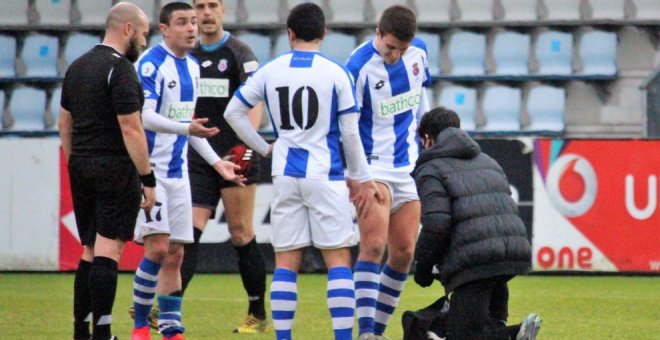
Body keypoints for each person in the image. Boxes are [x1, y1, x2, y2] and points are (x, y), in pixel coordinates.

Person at [224, 4, 383, 339]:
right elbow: (351, 133)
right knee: (338, 259)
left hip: (285, 174)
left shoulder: (271, 70)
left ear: (290, 33)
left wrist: (265, 145)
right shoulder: (337, 72)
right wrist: (362, 179)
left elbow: (233, 112)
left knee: (286, 263)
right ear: (324, 33)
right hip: (325, 174)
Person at [130, 3, 244, 340]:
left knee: (177, 252)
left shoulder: (193, 68)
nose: (192, 28)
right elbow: (145, 117)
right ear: (164, 29)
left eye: (193, 22)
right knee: (158, 248)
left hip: (179, 174)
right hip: (151, 172)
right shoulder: (150, 64)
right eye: (182, 23)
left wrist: (216, 162)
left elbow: (189, 128)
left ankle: (170, 328)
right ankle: (139, 326)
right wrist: (186, 130)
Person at [58, 3, 155, 340]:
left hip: (81, 165)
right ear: (127, 28)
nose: (144, 39)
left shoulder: (78, 67)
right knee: (108, 250)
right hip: (114, 167)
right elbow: (131, 128)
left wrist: (75, 161)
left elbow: (64, 123)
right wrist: (148, 179)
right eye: (143, 32)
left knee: (87, 248)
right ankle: (103, 333)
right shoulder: (122, 69)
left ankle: (81, 331)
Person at [412, 107, 542, 340]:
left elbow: (436, 223)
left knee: (464, 335)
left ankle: (514, 335)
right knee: (485, 327)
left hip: (475, 261)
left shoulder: (430, 169)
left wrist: (422, 268)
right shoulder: (487, 160)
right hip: (510, 252)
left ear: (428, 139)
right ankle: (512, 333)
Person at [181, 0, 270, 333]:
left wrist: (245, 147)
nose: (205, 12)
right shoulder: (186, 55)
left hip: (235, 155)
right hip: (200, 157)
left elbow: (255, 103)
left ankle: (257, 315)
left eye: (212, 5)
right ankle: (169, 310)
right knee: (187, 234)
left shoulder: (239, 53)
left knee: (240, 232)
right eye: (199, 5)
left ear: (223, 10)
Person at [345, 5, 432, 339]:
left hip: (407, 166)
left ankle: (377, 332)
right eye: (390, 47)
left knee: (405, 251)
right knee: (374, 244)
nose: (395, 55)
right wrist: (358, 176)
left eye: (402, 49)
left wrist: (428, 142)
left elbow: (421, 97)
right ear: (377, 34)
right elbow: (348, 126)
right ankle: (365, 331)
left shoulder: (419, 53)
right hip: (373, 167)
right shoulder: (358, 66)